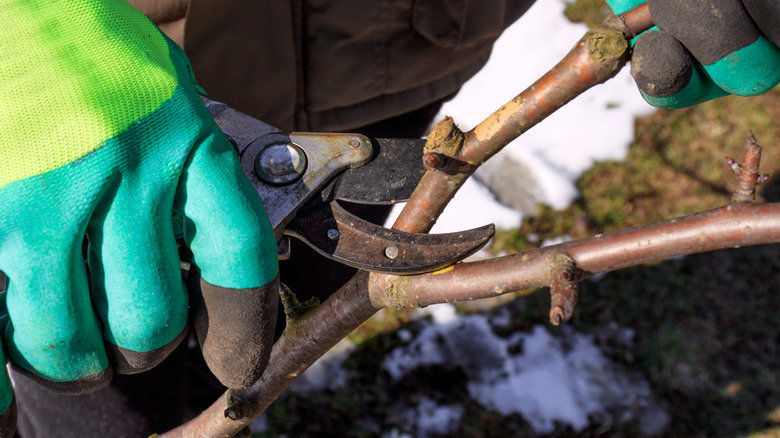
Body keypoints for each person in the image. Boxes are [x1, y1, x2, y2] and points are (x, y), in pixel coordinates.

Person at [1, 0, 777, 436]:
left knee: (280, 315)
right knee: (93, 376)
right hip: (84, 129)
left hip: (390, 46)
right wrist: (22, 41)